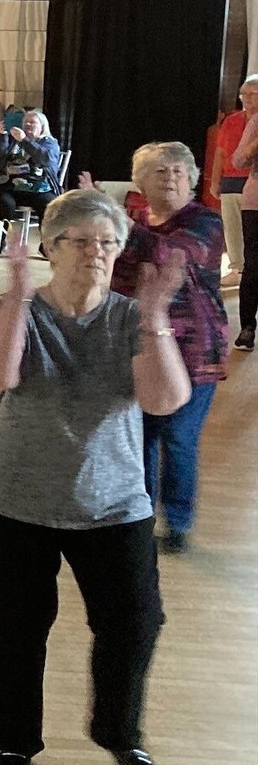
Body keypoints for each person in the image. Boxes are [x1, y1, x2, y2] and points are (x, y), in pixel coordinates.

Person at [0, 191, 187, 765]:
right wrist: (16, 293)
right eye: (82, 241)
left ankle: (119, 733)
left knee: (136, 622)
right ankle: (14, 742)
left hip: (112, 502)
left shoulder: (128, 316)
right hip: (14, 498)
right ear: (51, 248)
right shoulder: (20, 308)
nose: (97, 253)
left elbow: (164, 400)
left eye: (109, 242)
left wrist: (154, 317)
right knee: (17, 627)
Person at [109, 143, 229, 552]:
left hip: (195, 353)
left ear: (192, 178)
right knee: (138, 437)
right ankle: (139, 516)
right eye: (161, 171)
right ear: (140, 182)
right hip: (139, 349)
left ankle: (177, 523)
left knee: (178, 438)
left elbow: (173, 253)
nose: (173, 177)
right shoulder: (136, 223)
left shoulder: (206, 222)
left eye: (180, 171)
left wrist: (116, 227)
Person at [207, 75, 258, 349]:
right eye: (245, 94)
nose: (248, 99)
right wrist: (253, 145)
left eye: (254, 94)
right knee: (253, 263)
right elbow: (234, 157)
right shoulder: (252, 123)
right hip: (254, 196)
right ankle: (248, 326)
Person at [0, 109, 64, 220]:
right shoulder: (13, 139)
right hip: (9, 186)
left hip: (39, 188)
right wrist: (2, 135)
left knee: (49, 206)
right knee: (5, 204)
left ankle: (47, 237)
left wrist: (24, 140)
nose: (28, 124)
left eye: (32, 122)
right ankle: (0, 237)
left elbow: (46, 159)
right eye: (25, 122)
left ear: (42, 127)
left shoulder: (48, 142)